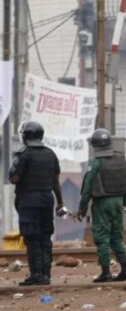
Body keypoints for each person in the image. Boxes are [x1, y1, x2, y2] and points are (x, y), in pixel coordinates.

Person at [9, 121, 65, 286]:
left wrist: (15, 164)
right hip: (47, 200)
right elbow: (56, 182)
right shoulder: (50, 154)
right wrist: (60, 203)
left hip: (28, 201)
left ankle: (36, 275)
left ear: (25, 136)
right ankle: (46, 275)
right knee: (45, 237)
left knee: (32, 238)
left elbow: (14, 179)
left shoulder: (24, 155)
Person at [77, 129, 126, 283]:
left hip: (102, 203)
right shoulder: (122, 160)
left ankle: (106, 272)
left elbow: (87, 189)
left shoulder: (95, 164)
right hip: (118, 201)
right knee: (117, 236)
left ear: (94, 146)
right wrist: (123, 202)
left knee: (102, 237)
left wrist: (82, 209)